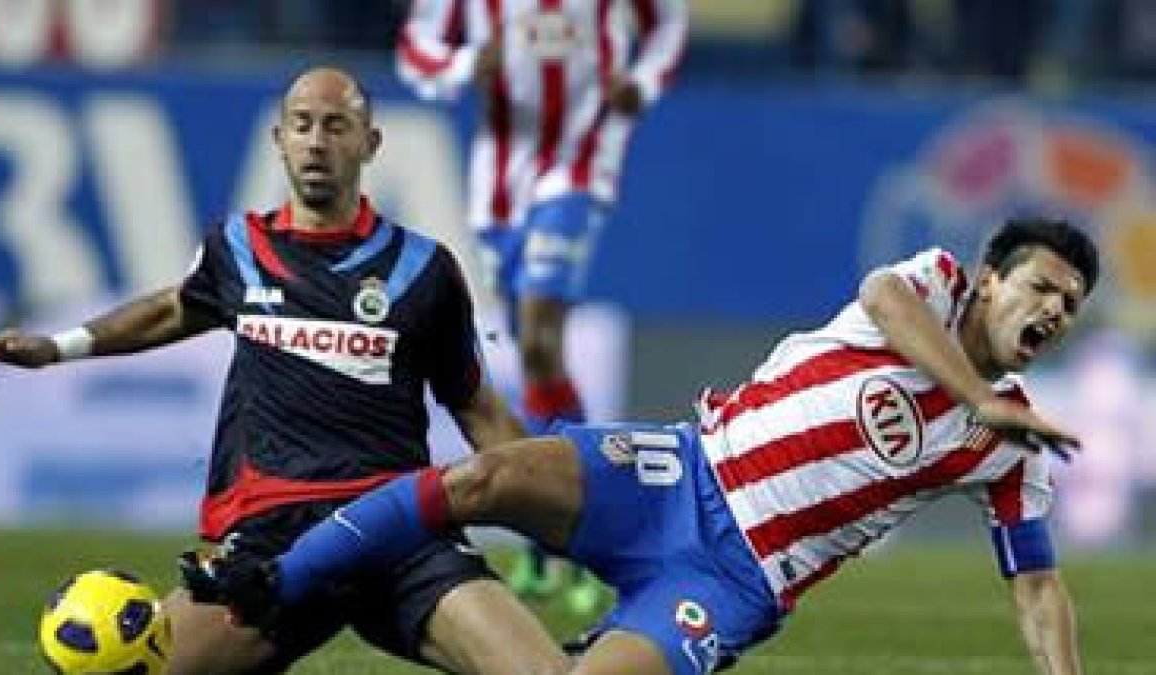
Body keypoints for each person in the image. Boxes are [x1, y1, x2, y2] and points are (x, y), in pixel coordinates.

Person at [184, 217, 1097, 675]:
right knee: (482, 476)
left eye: (1070, 306)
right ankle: (280, 577)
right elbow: (882, 297)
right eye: (1044, 287)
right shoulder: (931, 283)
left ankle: (595, 641)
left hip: (738, 578)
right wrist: (980, 393)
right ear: (987, 280)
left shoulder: (1007, 449)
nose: (1054, 311)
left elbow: (1037, 581)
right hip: (679, 468)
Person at [0, 67, 568, 674]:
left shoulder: (424, 271)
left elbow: (478, 409)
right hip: (273, 540)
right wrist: (57, 347)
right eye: (302, 125)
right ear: (278, 139)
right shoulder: (237, 249)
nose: (317, 141)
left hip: (396, 526)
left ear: (369, 143)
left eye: (336, 126)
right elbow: (172, 309)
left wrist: (565, 511)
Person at [397, 0, 688, 612]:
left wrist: (640, 82)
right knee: (535, 365)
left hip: (582, 162)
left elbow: (667, 20)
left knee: (537, 339)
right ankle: (550, 537)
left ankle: (591, 522)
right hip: (499, 182)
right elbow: (416, 49)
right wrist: (472, 62)